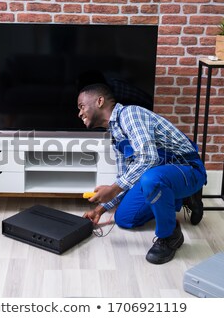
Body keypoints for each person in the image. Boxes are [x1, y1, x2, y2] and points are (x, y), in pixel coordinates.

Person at [77, 83, 206, 265]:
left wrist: (113, 189)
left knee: (151, 179)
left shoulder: (130, 114)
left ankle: (170, 236)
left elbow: (148, 158)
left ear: (99, 101)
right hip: (158, 175)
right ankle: (182, 198)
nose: (79, 113)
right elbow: (126, 178)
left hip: (187, 169)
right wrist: (101, 209)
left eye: (82, 106)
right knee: (124, 219)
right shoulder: (115, 135)